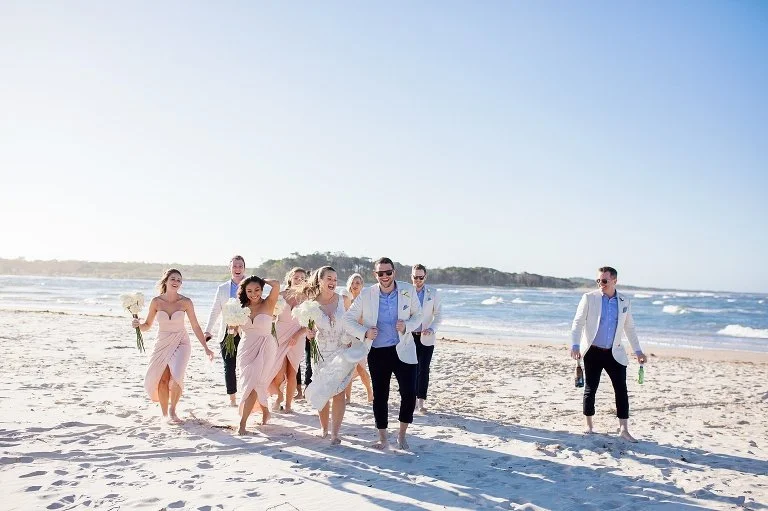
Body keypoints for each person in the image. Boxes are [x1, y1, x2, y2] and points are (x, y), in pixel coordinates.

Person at [343, 257, 423, 450]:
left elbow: (419, 315)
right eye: (380, 273)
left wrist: (408, 326)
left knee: (409, 394)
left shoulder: (408, 290)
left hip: (403, 349)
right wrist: (364, 333)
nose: (384, 276)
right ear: (375, 274)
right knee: (380, 396)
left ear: (394, 272)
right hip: (378, 352)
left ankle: (402, 435)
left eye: (388, 272)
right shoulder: (367, 294)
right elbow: (348, 319)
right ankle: (383, 438)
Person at [570, 266, 647, 442]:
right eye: (598, 280)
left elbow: (630, 328)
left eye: (604, 281)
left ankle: (623, 429)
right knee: (591, 389)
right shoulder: (589, 298)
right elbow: (578, 322)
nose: (600, 284)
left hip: (615, 352)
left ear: (614, 281)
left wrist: (638, 351)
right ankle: (589, 425)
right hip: (592, 352)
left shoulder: (624, 301)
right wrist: (575, 345)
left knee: (621, 390)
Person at [133, 269, 214, 424]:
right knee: (163, 379)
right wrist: (138, 325)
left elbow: (196, 326)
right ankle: (164, 414)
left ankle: (173, 410)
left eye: (179, 280)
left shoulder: (186, 302)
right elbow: (147, 325)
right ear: (166, 281)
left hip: (181, 342)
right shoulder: (156, 302)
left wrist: (205, 347)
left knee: (176, 377)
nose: (176, 282)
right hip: (162, 342)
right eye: (173, 279)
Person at [300, 266, 360, 445]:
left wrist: (351, 337)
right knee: (323, 390)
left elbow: (353, 321)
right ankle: (324, 428)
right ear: (320, 280)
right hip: (321, 352)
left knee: (339, 392)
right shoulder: (310, 304)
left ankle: (335, 433)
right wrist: (308, 332)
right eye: (329, 278)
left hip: (342, 350)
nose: (333, 282)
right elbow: (307, 327)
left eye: (335, 279)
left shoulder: (344, 300)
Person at [237, 275, 280, 435]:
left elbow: (276, 284)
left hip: (266, 346)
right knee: (252, 382)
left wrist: (261, 279)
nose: (253, 293)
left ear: (262, 289)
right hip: (246, 347)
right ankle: (265, 410)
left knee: (256, 381)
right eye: (249, 290)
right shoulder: (240, 308)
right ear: (244, 291)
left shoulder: (269, 303)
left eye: (257, 289)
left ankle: (243, 423)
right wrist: (232, 327)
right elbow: (235, 327)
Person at [203, 255, 247, 406]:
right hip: (226, 332)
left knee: (245, 366)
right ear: (230, 268)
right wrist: (208, 330)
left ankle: (247, 395)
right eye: (234, 266)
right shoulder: (222, 288)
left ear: (244, 268)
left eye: (240, 266)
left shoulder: (251, 285)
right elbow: (215, 309)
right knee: (229, 366)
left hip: (246, 333)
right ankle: (232, 398)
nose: (237, 269)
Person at [268, 267, 313, 413]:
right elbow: (270, 315)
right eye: (296, 277)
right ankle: (279, 397)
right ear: (290, 278)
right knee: (278, 370)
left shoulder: (307, 298)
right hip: (280, 334)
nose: (298, 280)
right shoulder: (280, 295)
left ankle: (288, 405)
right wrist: (273, 316)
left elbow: (310, 323)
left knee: (292, 371)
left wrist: (297, 335)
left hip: (297, 336)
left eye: (302, 278)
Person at [410, 264, 442, 414]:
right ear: (411, 277)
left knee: (423, 369)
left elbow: (439, 314)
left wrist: (432, 328)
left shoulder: (433, 293)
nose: (418, 280)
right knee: (409, 370)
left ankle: (420, 402)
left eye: (420, 277)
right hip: (408, 337)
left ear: (425, 276)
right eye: (415, 277)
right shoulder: (405, 292)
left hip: (426, 337)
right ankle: (410, 400)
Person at [342, 273, 373, 404]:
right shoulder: (344, 299)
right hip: (347, 337)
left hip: (361, 337)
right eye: (353, 282)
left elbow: (366, 320)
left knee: (361, 368)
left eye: (358, 283)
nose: (355, 285)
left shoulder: (365, 301)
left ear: (362, 286)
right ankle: (347, 397)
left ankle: (370, 392)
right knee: (348, 368)